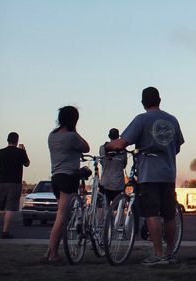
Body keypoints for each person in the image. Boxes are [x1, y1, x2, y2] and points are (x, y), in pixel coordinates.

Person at [106, 86, 184, 266]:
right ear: (160, 100)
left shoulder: (141, 119)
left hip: (149, 174)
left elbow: (122, 143)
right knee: (169, 215)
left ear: (143, 103)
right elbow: (177, 147)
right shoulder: (173, 120)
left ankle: (158, 255)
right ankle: (170, 254)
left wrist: (108, 147)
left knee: (151, 213)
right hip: (169, 174)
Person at [44, 106, 90, 262]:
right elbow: (86, 147)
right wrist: (75, 130)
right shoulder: (72, 136)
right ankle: (53, 254)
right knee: (62, 216)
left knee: (60, 214)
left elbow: (66, 151)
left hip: (56, 177)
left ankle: (50, 251)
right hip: (69, 177)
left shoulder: (52, 135)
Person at [0, 132, 30, 239]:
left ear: (7, 140)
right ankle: (5, 232)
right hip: (14, 182)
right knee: (9, 208)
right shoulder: (20, 152)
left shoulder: (0, 152)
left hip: (1, 182)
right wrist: (24, 151)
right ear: (17, 140)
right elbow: (27, 163)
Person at [99, 128, 127, 205]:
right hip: (118, 184)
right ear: (118, 137)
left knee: (101, 209)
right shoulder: (124, 150)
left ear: (109, 136)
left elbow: (102, 162)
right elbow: (124, 165)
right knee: (118, 211)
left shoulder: (102, 148)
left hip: (105, 182)